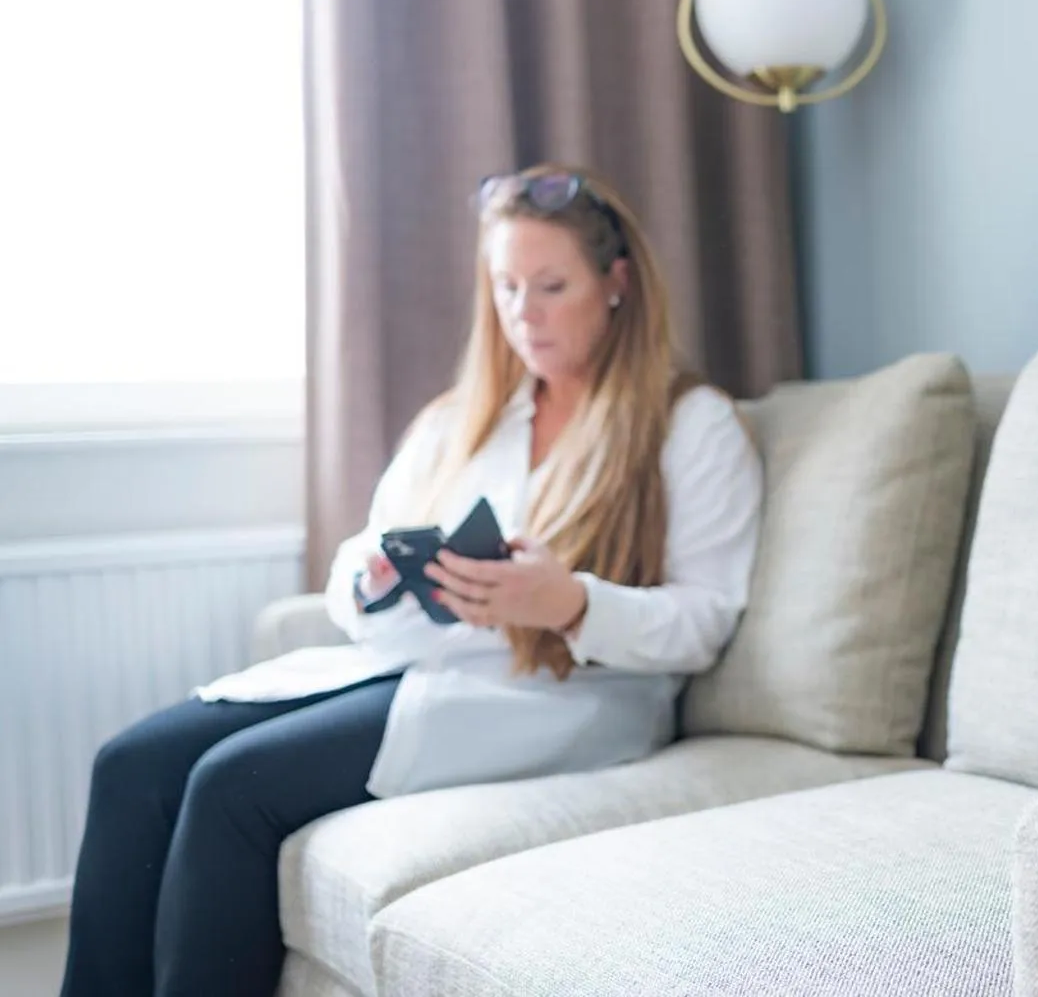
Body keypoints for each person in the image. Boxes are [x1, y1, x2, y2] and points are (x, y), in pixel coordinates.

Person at [60, 164, 764, 997]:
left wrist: (569, 602)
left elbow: (706, 621)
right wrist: (376, 578)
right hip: (418, 668)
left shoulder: (692, 426)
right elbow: (352, 573)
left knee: (231, 786)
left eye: (550, 286)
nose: (523, 314)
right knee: (132, 764)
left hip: (563, 697)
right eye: (505, 287)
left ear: (616, 285)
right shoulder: (460, 423)